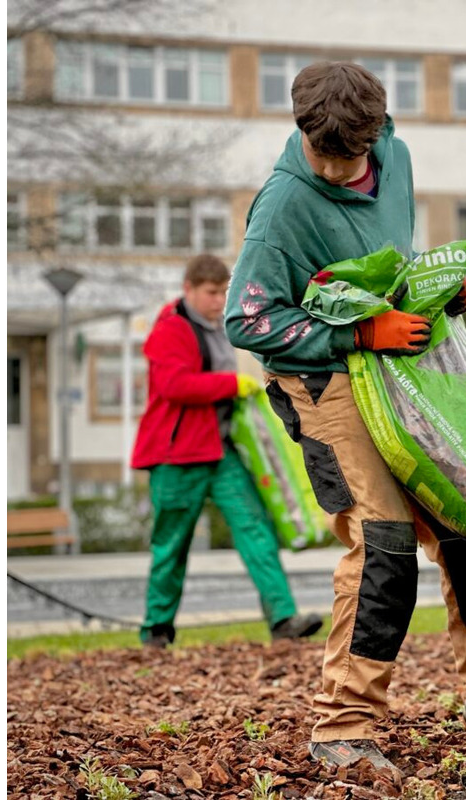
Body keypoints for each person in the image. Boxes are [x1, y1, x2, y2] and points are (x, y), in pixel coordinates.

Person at [224, 61, 466, 776]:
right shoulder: (283, 205)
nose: (333, 167)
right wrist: (358, 335)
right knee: (383, 541)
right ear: (302, 131)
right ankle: (342, 726)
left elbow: (380, 263)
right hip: (321, 381)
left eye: (347, 155)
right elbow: (249, 317)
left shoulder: (396, 156)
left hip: (398, 372)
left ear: (378, 133)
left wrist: (431, 291)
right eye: (322, 152)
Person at [131, 254, 323, 649]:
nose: (219, 300)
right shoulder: (171, 330)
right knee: (172, 544)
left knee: (256, 530)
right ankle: (156, 629)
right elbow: (174, 386)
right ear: (189, 290)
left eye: (223, 292)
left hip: (219, 451)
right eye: (211, 292)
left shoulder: (217, 327)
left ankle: (283, 618)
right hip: (177, 454)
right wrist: (231, 385)